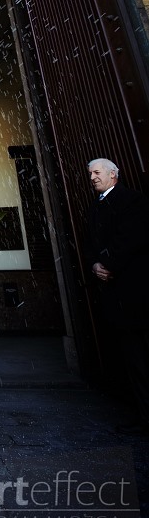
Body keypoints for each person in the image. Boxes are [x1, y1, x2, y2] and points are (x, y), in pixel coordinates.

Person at [86, 158, 149, 436]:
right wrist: (95, 264)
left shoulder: (131, 201)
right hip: (115, 297)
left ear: (113, 175)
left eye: (97, 173)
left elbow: (131, 238)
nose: (92, 178)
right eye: (90, 174)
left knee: (142, 357)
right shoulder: (96, 206)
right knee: (131, 359)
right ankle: (142, 414)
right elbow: (91, 242)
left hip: (134, 292)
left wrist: (109, 264)